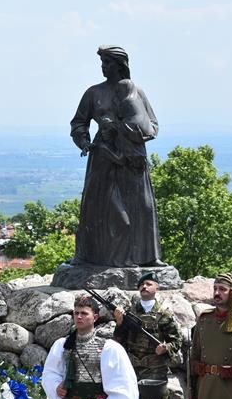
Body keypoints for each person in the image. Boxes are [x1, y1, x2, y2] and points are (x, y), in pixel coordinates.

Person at [69, 45, 162, 267]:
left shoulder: (137, 92)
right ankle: (89, 256)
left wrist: (130, 131)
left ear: (120, 65)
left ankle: (147, 257)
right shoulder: (93, 93)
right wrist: (84, 142)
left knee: (142, 206)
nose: (103, 67)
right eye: (102, 62)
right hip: (103, 157)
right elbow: (79, 123)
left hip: (132, 159)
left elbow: (153, 125)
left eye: (107, 63)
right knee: (99, 208)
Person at [114, 272, 182, 399]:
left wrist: (165, 348)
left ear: (157, 288)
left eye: (148, 284)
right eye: (142, 284)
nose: (144, 287)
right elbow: (119, 340)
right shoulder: (130, 313)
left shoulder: (164, 314)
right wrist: (119, 323)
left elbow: (176, 340)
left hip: (155, 370)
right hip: (133, 369)